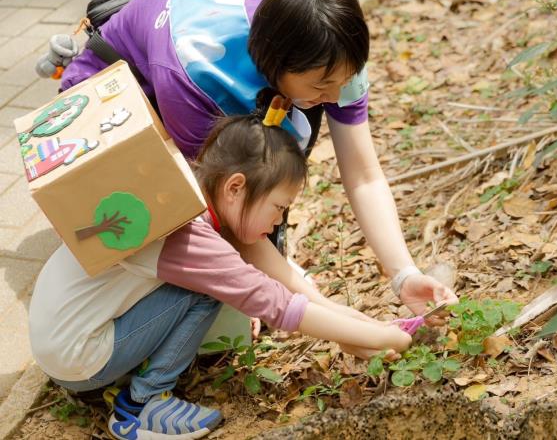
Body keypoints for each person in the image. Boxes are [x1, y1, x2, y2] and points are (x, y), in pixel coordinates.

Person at [59, 0, 458, 333]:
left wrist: (403, 273)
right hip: (111, 98)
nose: (336, 96)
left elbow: (364, 175)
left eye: (345, 80)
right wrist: (324, 314)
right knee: (179, 220)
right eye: (322, 87)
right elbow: (223, 207)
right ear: (276, 67)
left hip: (209, 73)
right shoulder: (197, 79)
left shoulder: (331, 53)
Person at [28, 112, 413, 440]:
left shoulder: (184, 191)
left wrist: (363, 326)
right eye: (278, 207)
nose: (279, 220)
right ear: (235, 187)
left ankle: (130, 382)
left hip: (64, 337)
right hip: (77, 355)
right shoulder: (188, 233)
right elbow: (276, 304)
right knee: (207, 292)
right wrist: (380, 337)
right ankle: (142, 403)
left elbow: (289, 284)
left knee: (219, 283)